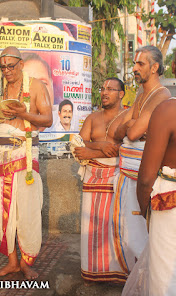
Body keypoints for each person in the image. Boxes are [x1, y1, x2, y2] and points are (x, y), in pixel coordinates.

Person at [0, 46, 52, 279]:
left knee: (27, 209)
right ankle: (12, 262)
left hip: (24, 157)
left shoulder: (35, 86)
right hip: (1, 157)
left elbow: (48, 119)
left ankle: (26, 262)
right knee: (2, 210)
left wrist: (23, 114)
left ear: (21, 65)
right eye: (2, 67)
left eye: (11, 66)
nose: (6, 71)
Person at [113, 46, 171, 275]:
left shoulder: (162, 96)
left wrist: (131, 125)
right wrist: (130, 126)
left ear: (155, 68)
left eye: (140, 64)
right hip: (127, 172)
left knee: (143, 233)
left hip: (143, 175)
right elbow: (117, 131)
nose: (134, 68)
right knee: (129, 231)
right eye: (134, 63)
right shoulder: (140, 95)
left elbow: (134, 132)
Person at [74, 77, 127, 283]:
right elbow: (79, 145)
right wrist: (100, 146)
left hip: (118, 177)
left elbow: (129, 147)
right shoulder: (92, 118)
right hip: (93, 178)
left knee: (117, 224)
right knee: (93, 224)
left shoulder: (128, 117)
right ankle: (94, 270)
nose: (104, 92)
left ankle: (119, 271)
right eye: (102, 89)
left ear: (121, 94)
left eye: (110, 89)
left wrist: (93, 148)